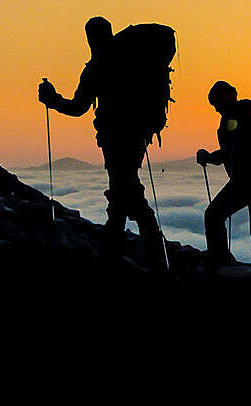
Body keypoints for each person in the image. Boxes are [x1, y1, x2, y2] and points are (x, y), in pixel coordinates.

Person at [38, 16, 166, 270]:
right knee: (126, 189)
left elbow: (78, 107)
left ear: (90, 37)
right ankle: (142, 250)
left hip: (115, 138)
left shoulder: (96, 67)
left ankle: (125, 252)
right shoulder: (132, 59)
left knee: (122, 191)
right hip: (137, 137)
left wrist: (52, 100)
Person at [195, 81, 251, 277]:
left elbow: (233, 149)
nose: (216, 110)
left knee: (214, 215)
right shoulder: (247, 114)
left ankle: (220, 259)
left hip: (249, 180)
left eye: (216, 104)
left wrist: (209, 157)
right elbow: (236, 148)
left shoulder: (237, 116)